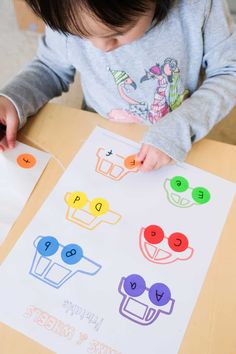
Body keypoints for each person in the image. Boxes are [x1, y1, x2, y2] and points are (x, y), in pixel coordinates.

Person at [0, 0, 235, 171]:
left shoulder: (199, 7)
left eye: (117, 33)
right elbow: (50, 68)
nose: (101, 47)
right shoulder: (65, 12)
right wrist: (12, 99)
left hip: (184, 134)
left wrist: (180, 130)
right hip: (101, 132)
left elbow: (228, 72)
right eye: (80, 36)